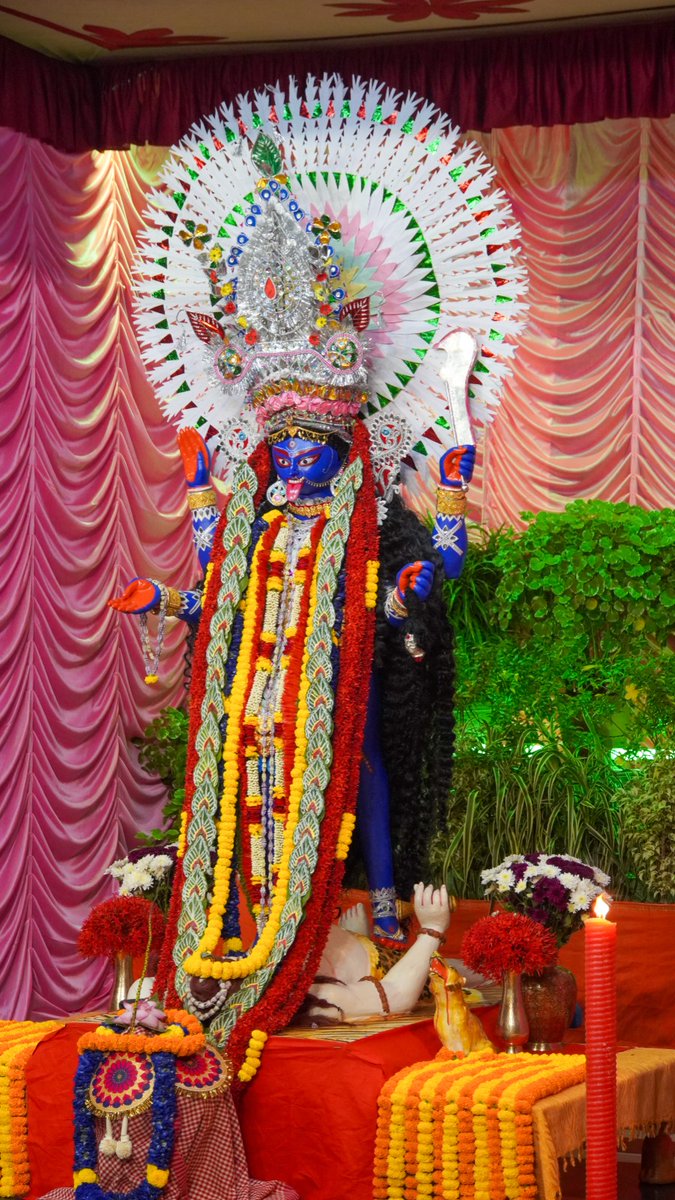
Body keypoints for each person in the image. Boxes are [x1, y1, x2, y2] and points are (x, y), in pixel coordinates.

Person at [112, 75, 525, 1076]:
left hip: (337, 665)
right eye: (284, 450)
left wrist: (413, 575)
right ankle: (255, 917)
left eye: (313, 449)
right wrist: (166, 597)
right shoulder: (254, 513)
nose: (297, 465)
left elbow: (441, 564)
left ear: (345, 445)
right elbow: (219, 597)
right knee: (249, 783)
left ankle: (380, 910)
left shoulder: (374, 514)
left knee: (364, 764)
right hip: (259, 684)